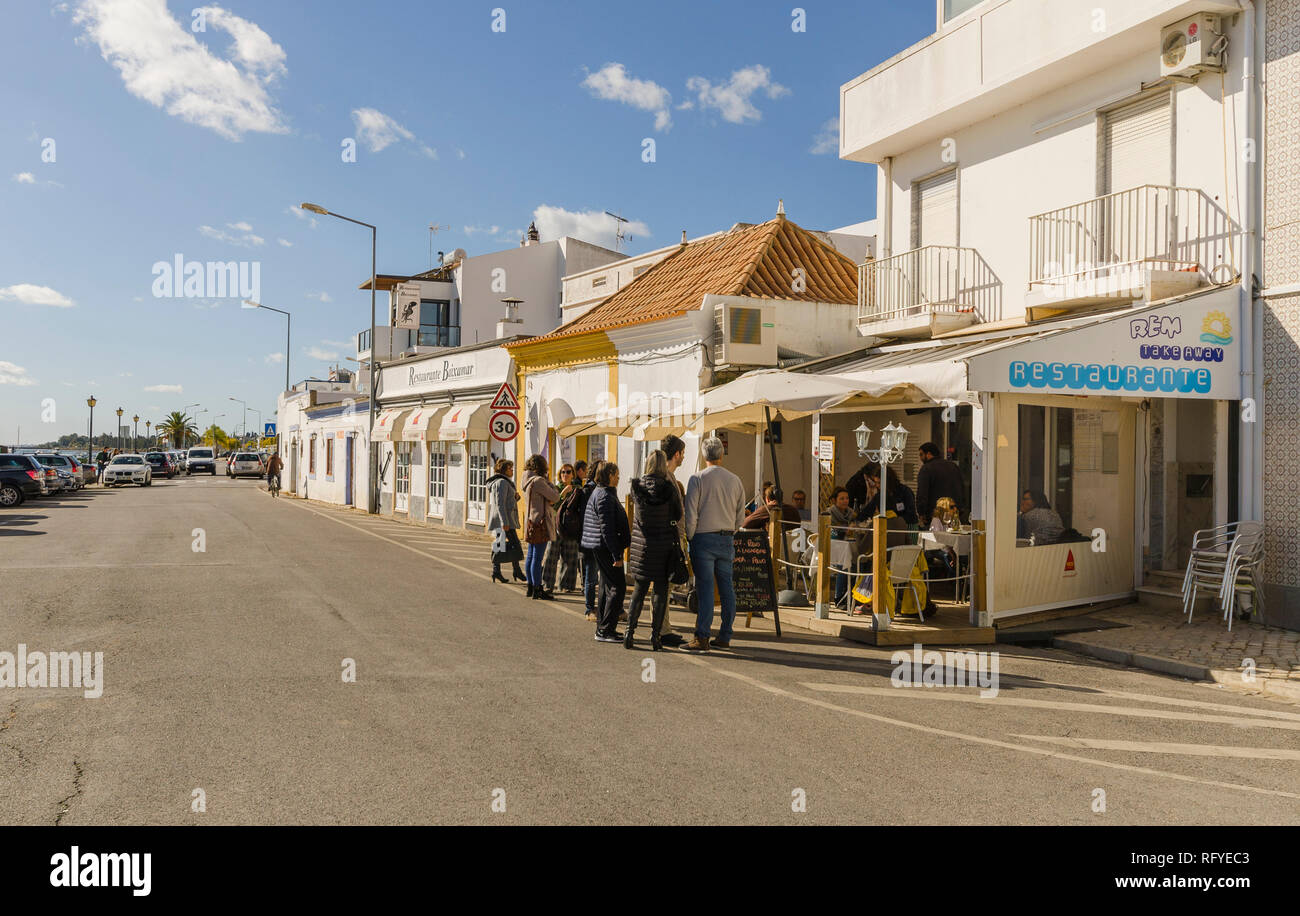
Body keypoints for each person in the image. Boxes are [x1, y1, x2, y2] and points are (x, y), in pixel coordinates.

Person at [683, 436, 746, 651]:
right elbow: (740, 515)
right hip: (726, 537)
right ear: (721, 454)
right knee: (727, 588)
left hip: (703, 537)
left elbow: (690, 513)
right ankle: (725, 634)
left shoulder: (697, 478)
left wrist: (690, 536)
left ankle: (702, 636)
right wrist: (731, 531)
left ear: (703, 455)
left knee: (706, 588)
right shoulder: (735, 480)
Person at [624, 449, 683, 652]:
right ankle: (656, 636)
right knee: (659, 592)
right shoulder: (668, 489)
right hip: (663, 547)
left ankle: (629, 633)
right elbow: (678, 513)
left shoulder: (637, 488)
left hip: (642, 548)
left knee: (638, 592)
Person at [581, 461, 629, 642]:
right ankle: (606, 629)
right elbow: (607, 529)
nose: (618, 477)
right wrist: (616, 554)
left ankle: (603, 627)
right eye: (616, 474)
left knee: (606, 586)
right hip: (604, 547)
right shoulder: (604, 496)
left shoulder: (602, 493)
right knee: (617, 587)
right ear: (609, 476)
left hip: (600, 545)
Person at [521, 454, 560, 599]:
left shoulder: (525, 479)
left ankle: (531, 587)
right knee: (537, 558)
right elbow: (555, 497)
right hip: (541, 522)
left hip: (531, 521)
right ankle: (537, 588)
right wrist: (549, 482)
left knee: (531, 556)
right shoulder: (539, 481)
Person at [541, 463, 581, 594]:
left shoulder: (577, 489)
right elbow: (551, 506)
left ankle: (567, 585)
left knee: (570, 557)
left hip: (571, 527)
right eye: (563, 472)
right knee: (551, 557)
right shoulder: (555, 488)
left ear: (573, 474)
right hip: (555, 525)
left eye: (568, 472)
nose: (566, 474)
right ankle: (547, 584)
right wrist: (563, 493)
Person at [486, 458, 526, 585]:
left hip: (504, 520)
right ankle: (516, 570)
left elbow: (506, 502)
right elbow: (500, 504)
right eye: (510, 468)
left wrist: (515, 498)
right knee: (514, 545)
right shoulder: (502, 482)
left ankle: (497, 571)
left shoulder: (505, 482)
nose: (512, 470)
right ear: (503, 470)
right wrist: (504, 523)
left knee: (500, 545)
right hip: (504, 521)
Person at [915, 441, 965, 527]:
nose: (920, 458)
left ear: (928, 454)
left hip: (935, 515)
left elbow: (922, 493)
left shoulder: (926, 469)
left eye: (921, 454)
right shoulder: (953, 466)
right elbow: (961, 488)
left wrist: (921, 512)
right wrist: (960, 509)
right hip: (954, 513)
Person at [579, 460, 605, 621]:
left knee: (597, 576)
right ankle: (590, 609)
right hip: (591, 539)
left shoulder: (595, 489)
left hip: (593, 539)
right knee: (591, 576)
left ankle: (598, 608)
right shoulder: (589, 490)